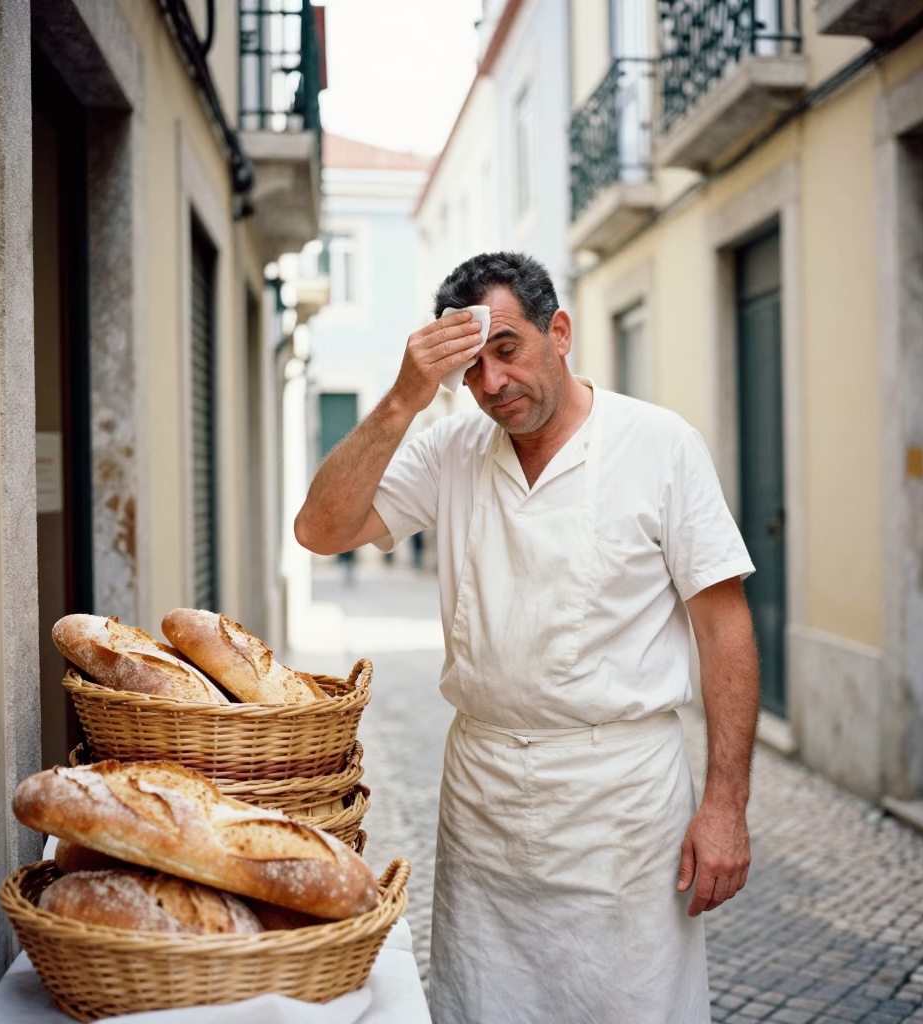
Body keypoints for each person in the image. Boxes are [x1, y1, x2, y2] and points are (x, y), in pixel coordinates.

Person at [295, 252, 760, 1024]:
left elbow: (723, 626)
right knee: (484, 1004)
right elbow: (320, 529)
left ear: (560, 332)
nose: (492, 385)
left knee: (632, 1007)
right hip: (484, 800)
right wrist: (403, 402)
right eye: (470, 369)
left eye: (507, 350)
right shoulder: (449, 451)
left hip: (623, 805)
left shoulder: (661, 445)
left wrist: (726, 805)